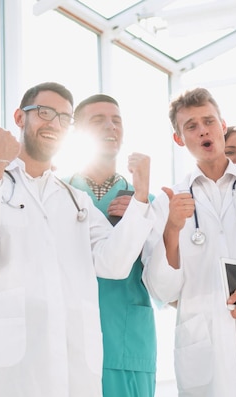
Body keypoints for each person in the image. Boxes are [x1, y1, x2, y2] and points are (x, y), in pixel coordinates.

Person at [0, 82, 162, 397]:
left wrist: (139, 197)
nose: (54, 123)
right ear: (19, 117)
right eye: (44, 112)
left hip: (73, 372)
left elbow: (114, 263)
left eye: (64, 118)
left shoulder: (76, 200)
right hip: (6, 372)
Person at [142, 86, 236, 397]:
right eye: (191, 126)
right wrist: (172, 230)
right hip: (205, 351)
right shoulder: (166, 203)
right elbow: (163, 291)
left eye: (208, 121)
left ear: (222, 126)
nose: (203, 130)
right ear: (179, 138)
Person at [67, 94, 158, 397]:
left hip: (127, 343)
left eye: (116, 120)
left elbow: (166, 282)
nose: (111, 126)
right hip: (69, 343)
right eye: (98, 120)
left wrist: (141, 204)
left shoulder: (149, 201)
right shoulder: (58, 194)